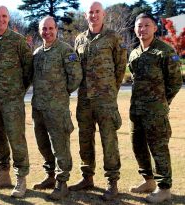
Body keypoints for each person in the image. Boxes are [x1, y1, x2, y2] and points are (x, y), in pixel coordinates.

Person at [69, 1, 127, 201]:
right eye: (90, 13)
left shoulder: (113, 37)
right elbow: (76, 68)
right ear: (86, 16)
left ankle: (112, 182)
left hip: (105, 99)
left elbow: (120, 66)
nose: (94, 15)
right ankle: (87, 177)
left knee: (108, 140)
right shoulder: (79, 39)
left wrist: (111, 89)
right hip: (84, 99)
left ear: (103, 15)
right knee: (85, 139)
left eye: (97, 12)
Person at [128, 13, 182, 203]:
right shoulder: (134, 53)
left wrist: (162, 101)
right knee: (138, 146)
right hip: (136, 111)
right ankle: (148, 181)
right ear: (135, 29)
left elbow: (175, 82)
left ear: (155, 28)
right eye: (139, 26)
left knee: (159, 148)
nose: (142, 29)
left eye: (146, 25)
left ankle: (164, 188)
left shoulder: (165, 51)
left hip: (156, 112)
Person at [0, 5, 33, 198]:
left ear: (8, 18)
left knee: (16, 139)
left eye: (4, 16)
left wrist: (18, 92)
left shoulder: (18, 41)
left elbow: (29, 70)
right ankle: (3, 175)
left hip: (12, 101)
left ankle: (21, 178)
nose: (0, 20)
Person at [31, 16, 82, 200]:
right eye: (44, 28)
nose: (48, 31)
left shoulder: (65, 50)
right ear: (40, 31)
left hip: (57, 109)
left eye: (51, 28)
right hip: (38, 109)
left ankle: (62, 183)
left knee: (60, 147)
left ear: (56, 29)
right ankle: (50, 176)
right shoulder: (37, 53)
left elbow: (76, 77)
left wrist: (61, 94)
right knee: (43, 145)